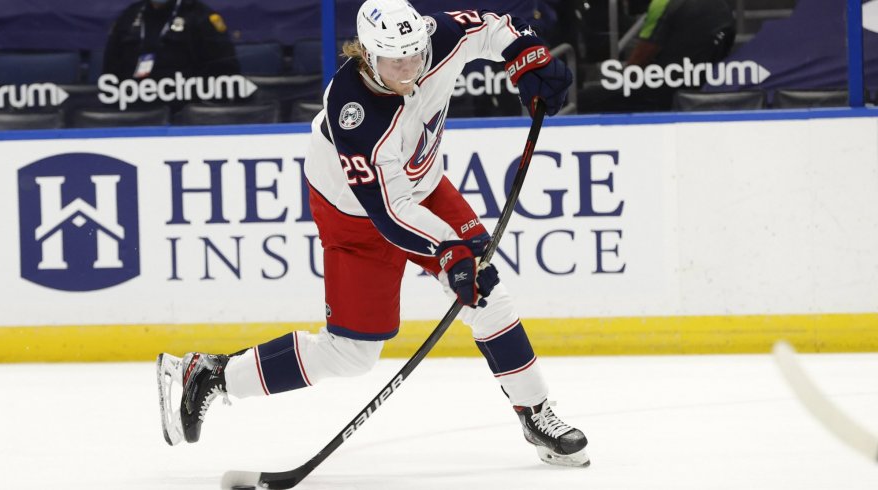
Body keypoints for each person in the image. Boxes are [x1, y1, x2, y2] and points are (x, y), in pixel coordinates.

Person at [156, 0, 588, 468]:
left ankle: (537, 414)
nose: (408, 70)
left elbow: (492, 27)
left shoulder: (435, 38)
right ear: (366, 54)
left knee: (487, 293)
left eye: (414, 56)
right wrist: (451, 253)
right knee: (351, 354)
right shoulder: (352, 110)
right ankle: (213, 375)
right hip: (356, 216)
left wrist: (527, 58)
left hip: (421, 185)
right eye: (393, 60)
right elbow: (388, 210)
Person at [578, 0, 735, 113]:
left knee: (586, 98)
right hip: (702, 86)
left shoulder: (663, 4)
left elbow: (636, 67)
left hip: (661, 90)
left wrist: (618, 78)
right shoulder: (724, 6)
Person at [102, 0, 239, 81]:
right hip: (133, 104)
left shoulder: (200, 16)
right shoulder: (129, 15)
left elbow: (225, 73)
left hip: (185, 106)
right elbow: (110, 68)